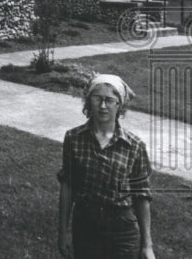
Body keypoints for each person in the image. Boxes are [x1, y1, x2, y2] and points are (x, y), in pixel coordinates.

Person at [57, 73, 155, 258]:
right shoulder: (73, 138)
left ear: (119, 105)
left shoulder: (134, 145)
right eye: (97, 99)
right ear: (88, 102)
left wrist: (147, 245)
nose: (103, 106)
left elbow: (141, 195)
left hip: (122, 227)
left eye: (109, 100)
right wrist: (63, 232)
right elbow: (68, 186)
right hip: (86, 224)